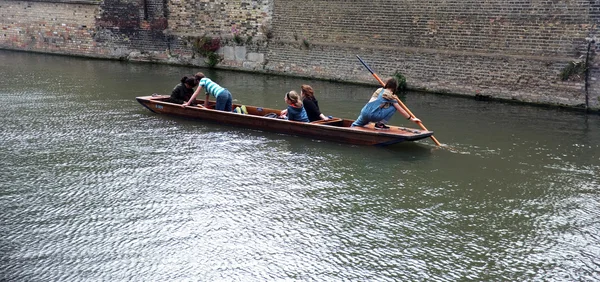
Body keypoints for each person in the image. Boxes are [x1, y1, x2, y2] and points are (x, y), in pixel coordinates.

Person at [351, 78, 420, 129]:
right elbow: (400, 110)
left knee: (355, 125)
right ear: (395, 87)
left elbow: (378, 102)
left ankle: (349, 129)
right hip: (374, 115)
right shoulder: (391, 96)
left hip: (364, 112)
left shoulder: (379, 90)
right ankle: (380, 124)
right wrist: (411, 119)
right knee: (394, 107)